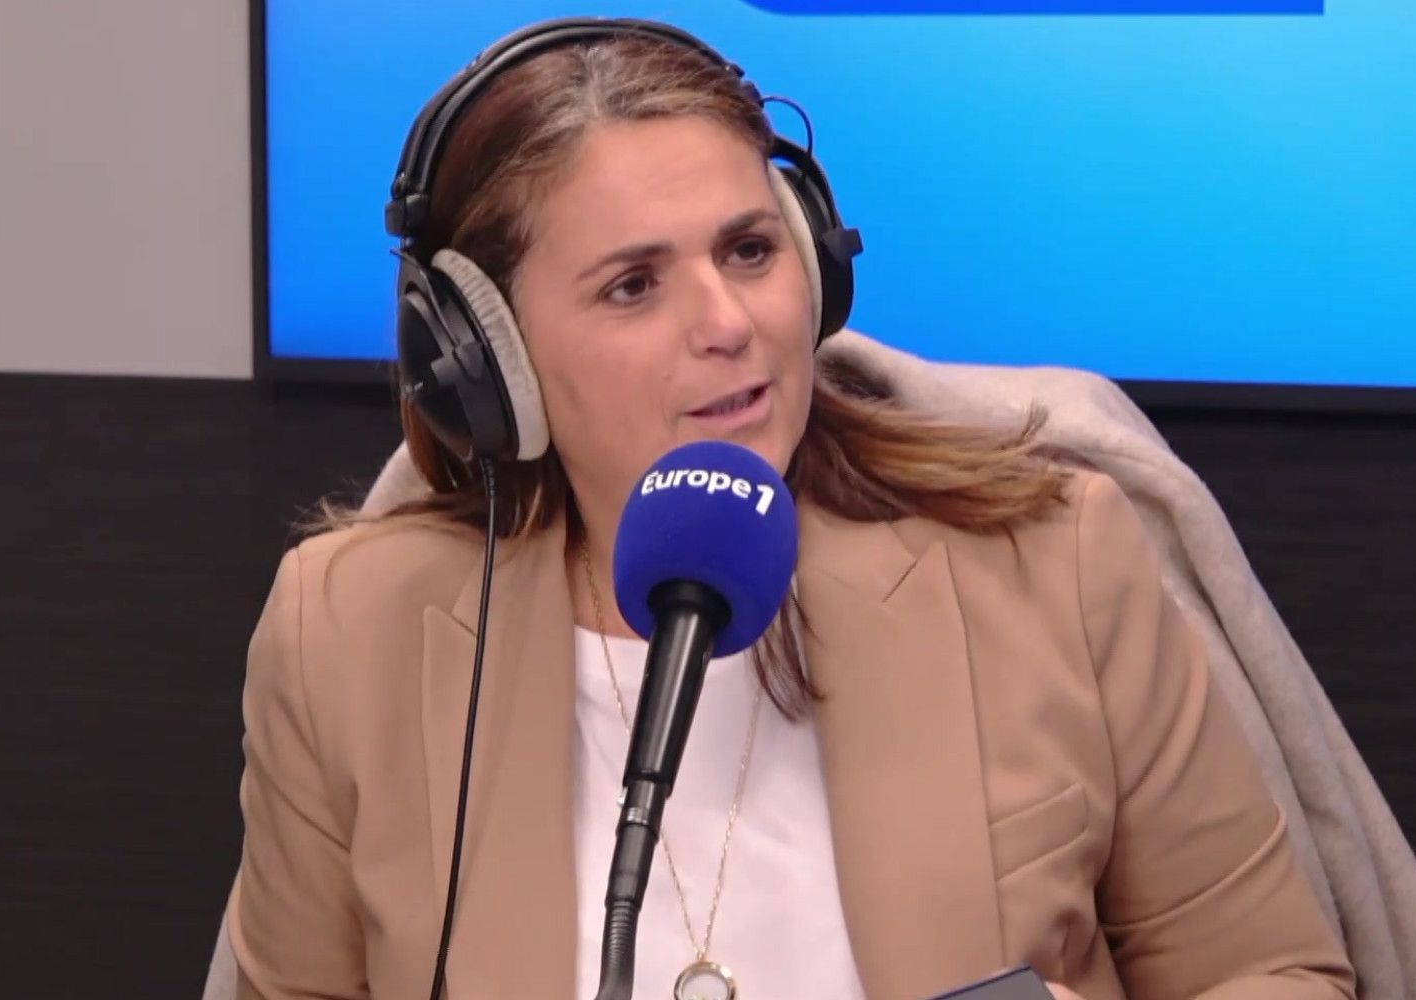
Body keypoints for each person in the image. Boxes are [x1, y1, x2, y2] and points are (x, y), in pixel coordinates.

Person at [225, 18, 1357, 1000]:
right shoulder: (348, 637)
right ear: (487, 358)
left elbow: (1271, 970)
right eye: (633, 284)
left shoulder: (1047, 558)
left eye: (749, 249)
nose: (729, 322)